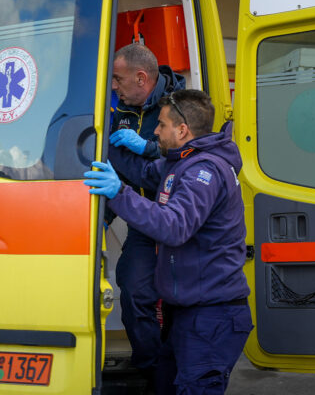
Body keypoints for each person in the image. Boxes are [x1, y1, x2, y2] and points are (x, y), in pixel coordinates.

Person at [86, 89, 252, 394]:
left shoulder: (204, 172)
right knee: (163, 383)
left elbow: (174, 226)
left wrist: (119, 194)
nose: (156, 132)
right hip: (186, 313)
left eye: (161, 125)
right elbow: (144, 172)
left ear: (182, 130)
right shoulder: (178, 163)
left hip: (212, 317)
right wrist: (101, 147)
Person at [108, 43, 185, 382]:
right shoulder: (119, 112)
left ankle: (180, 365)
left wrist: (150, 148)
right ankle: (151, 372)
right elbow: (115, 169)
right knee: (134, 288)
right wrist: (97, 223)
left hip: (183, 219)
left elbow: (194, 150)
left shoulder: (182, 105)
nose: (113, 86)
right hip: (141, 221)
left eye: (118, 78)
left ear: (141, 78)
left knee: (183, 297)